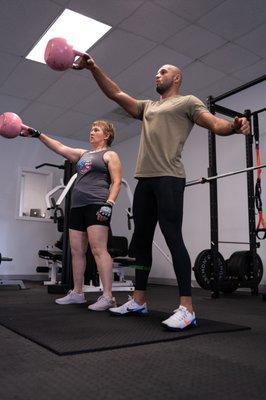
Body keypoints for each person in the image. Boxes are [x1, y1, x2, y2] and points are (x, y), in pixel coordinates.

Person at [73, 58, 250, 330]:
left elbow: (216, 125)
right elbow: (116, 94)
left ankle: (187, 308)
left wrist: (235, 126)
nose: (157, 75)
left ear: (176, 78)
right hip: (145, 181)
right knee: (141, 242)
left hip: (169, 178)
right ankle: (139, 301)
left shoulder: (188, 102)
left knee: (173, 237)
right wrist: (92, 68)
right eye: (156, 72)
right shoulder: (148, 107)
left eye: (163, 72)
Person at [22, 120, 122, 311]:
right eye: (91, 129)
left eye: (96, 130)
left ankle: (108, 296)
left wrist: (109, 204)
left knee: (98, 249)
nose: (91, 132)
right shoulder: (83, 154)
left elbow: (116, 182)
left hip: (97, 204)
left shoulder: (110, 154)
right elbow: (60, 147)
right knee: (76, 250)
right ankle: (77, 293)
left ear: (106, 135)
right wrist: (37, 134)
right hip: (77, 206)